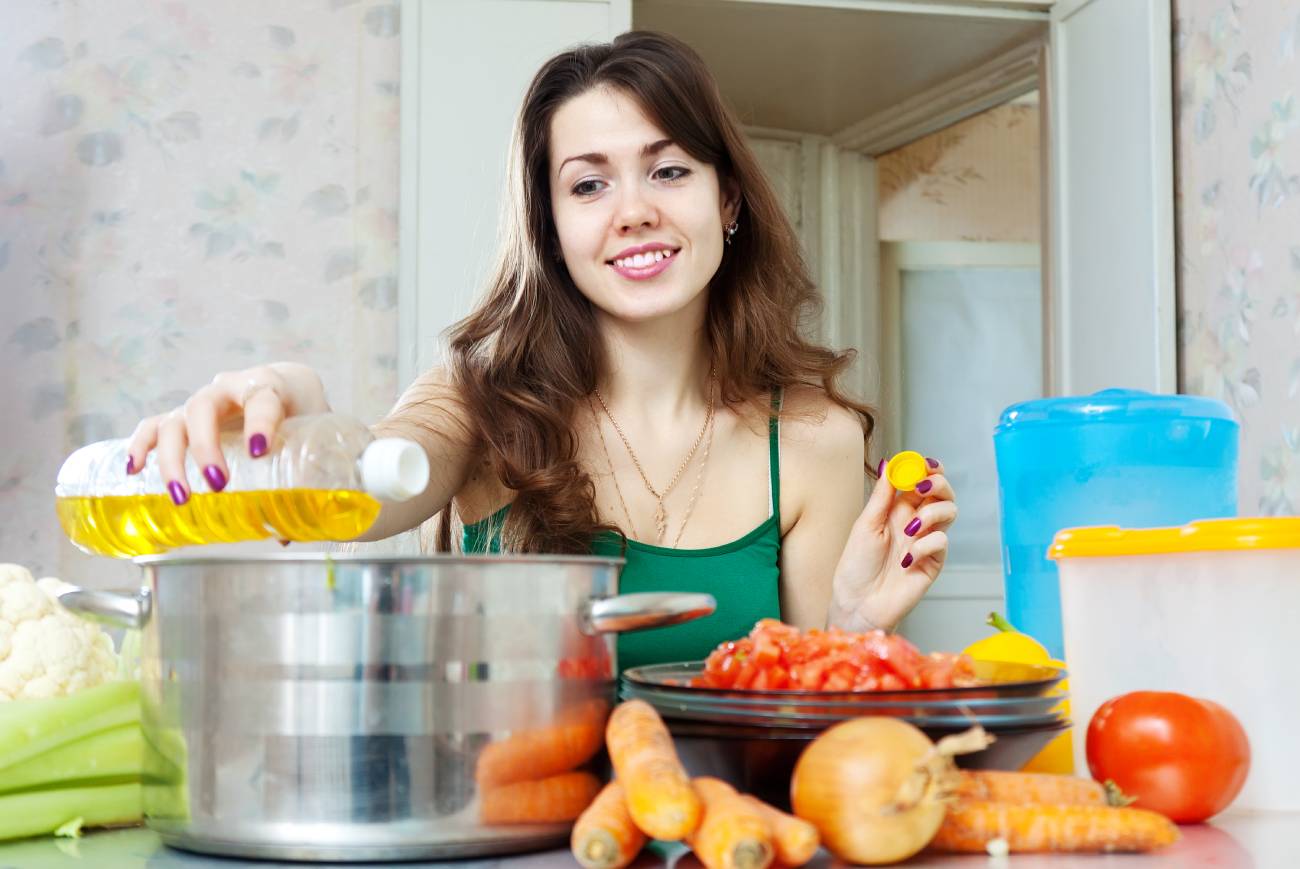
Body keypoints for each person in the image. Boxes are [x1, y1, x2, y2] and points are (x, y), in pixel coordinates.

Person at [122, 31, 957, 670]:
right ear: (553, 229)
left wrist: (852, 628)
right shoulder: (477, 402)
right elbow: (369, 485)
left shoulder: (812, 440)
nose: (632, 211)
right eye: (588, 184)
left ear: (727, 198)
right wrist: (296, 407)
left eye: (668, 172)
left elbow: (808, 726)